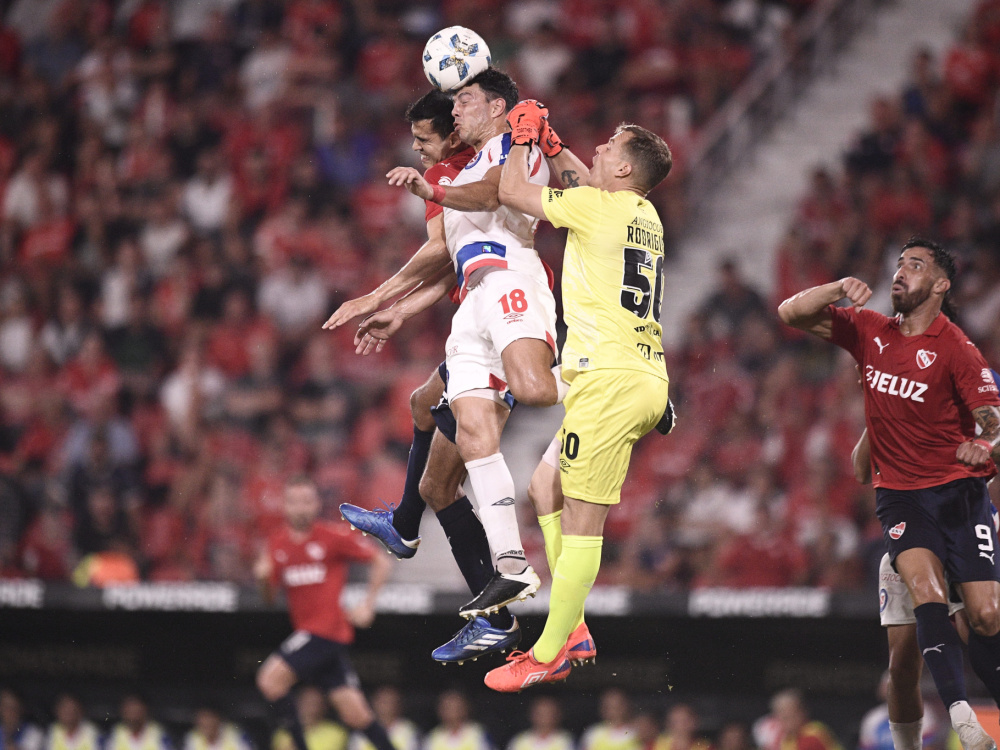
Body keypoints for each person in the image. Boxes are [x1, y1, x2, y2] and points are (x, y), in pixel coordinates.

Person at [777, 237, 1000, 750]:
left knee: (986, 617)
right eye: (899, 264)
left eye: (915, 266)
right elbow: (791, 312)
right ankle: (956, 722)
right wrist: (836, 286)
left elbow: (989, 419)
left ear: (940, 284)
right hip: (902, 498)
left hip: (960, 498)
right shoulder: (872, 332)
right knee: (905, 650)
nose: (900, 273)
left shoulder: (959, 350)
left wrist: (979, 442)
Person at [325, 89, 522, 664]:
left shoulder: (474, 172)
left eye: (425, 139)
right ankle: (406, 528)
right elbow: (451, 263)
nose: (417, 150)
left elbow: (437, 252)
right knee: (419, 408)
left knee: (442, 484)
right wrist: (398, 312)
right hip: (485, 324)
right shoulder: (457, 172)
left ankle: (497, 617)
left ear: (455, 133)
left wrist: (375, 295)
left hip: (503, 327)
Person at [481, 106, 673, 690]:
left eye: (609, 144)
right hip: (628, 373)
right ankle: (577, 625)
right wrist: (555, 144)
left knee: (585, 522)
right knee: (544, 488)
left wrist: (520, 139)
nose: (598, 148)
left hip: (608, 383)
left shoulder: (597, 206)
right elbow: (590, 188)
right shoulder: (644, 213)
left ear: (623, 165)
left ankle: (547, 653)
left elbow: (512, 190)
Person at [254, 475, 395, 750]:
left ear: (317, 504)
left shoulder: (332, 537)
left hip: (325, 632)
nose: (300, 508)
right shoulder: (276, 543)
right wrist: (262, 579)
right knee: (356, 715)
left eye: (307, 501)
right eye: (294, 502)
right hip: (314, 637)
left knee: (269, 681)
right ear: (284, 506)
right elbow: (269, 599)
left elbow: (381, 561)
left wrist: (368, 604)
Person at [272, 687, 348, 750]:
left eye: (314, 703)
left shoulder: (336, 732)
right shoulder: (283, 732)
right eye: (305, 702)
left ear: (324, 707)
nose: (309, 707)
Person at [349, 686, 419, 750]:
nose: (385, 706)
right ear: (374, 703)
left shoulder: (409, 731)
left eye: (390, 701)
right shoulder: (362, 729)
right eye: (382, 701)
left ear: (398, 704)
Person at [767, 691, 840, 750]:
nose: (785, 720)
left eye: (790, 716)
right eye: (782, 716)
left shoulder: (813, 735)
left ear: (802, 712)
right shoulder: (787, 738)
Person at [423, 691, 492, 750]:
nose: (451, 712)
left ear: (465, 708)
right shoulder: (433, 737)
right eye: (447, 707)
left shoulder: (478, 733)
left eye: (455, 707)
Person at [105, 695, 172, 750]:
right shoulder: (114, 734)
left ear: (145, 709)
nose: (132, 712)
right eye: (129, 708)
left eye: (135, 708)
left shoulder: (159, 734)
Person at [506, 697, 573, 750]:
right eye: (540, 713)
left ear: (557, 715)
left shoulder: (565, 740)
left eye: (548, 713)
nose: (544, 717)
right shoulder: (520, 740)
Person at [182, 706, 252, 750]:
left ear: (217, 719)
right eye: (201, 722)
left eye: (208, 718)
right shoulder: (193, 738)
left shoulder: (235, 734)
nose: (205, 723)